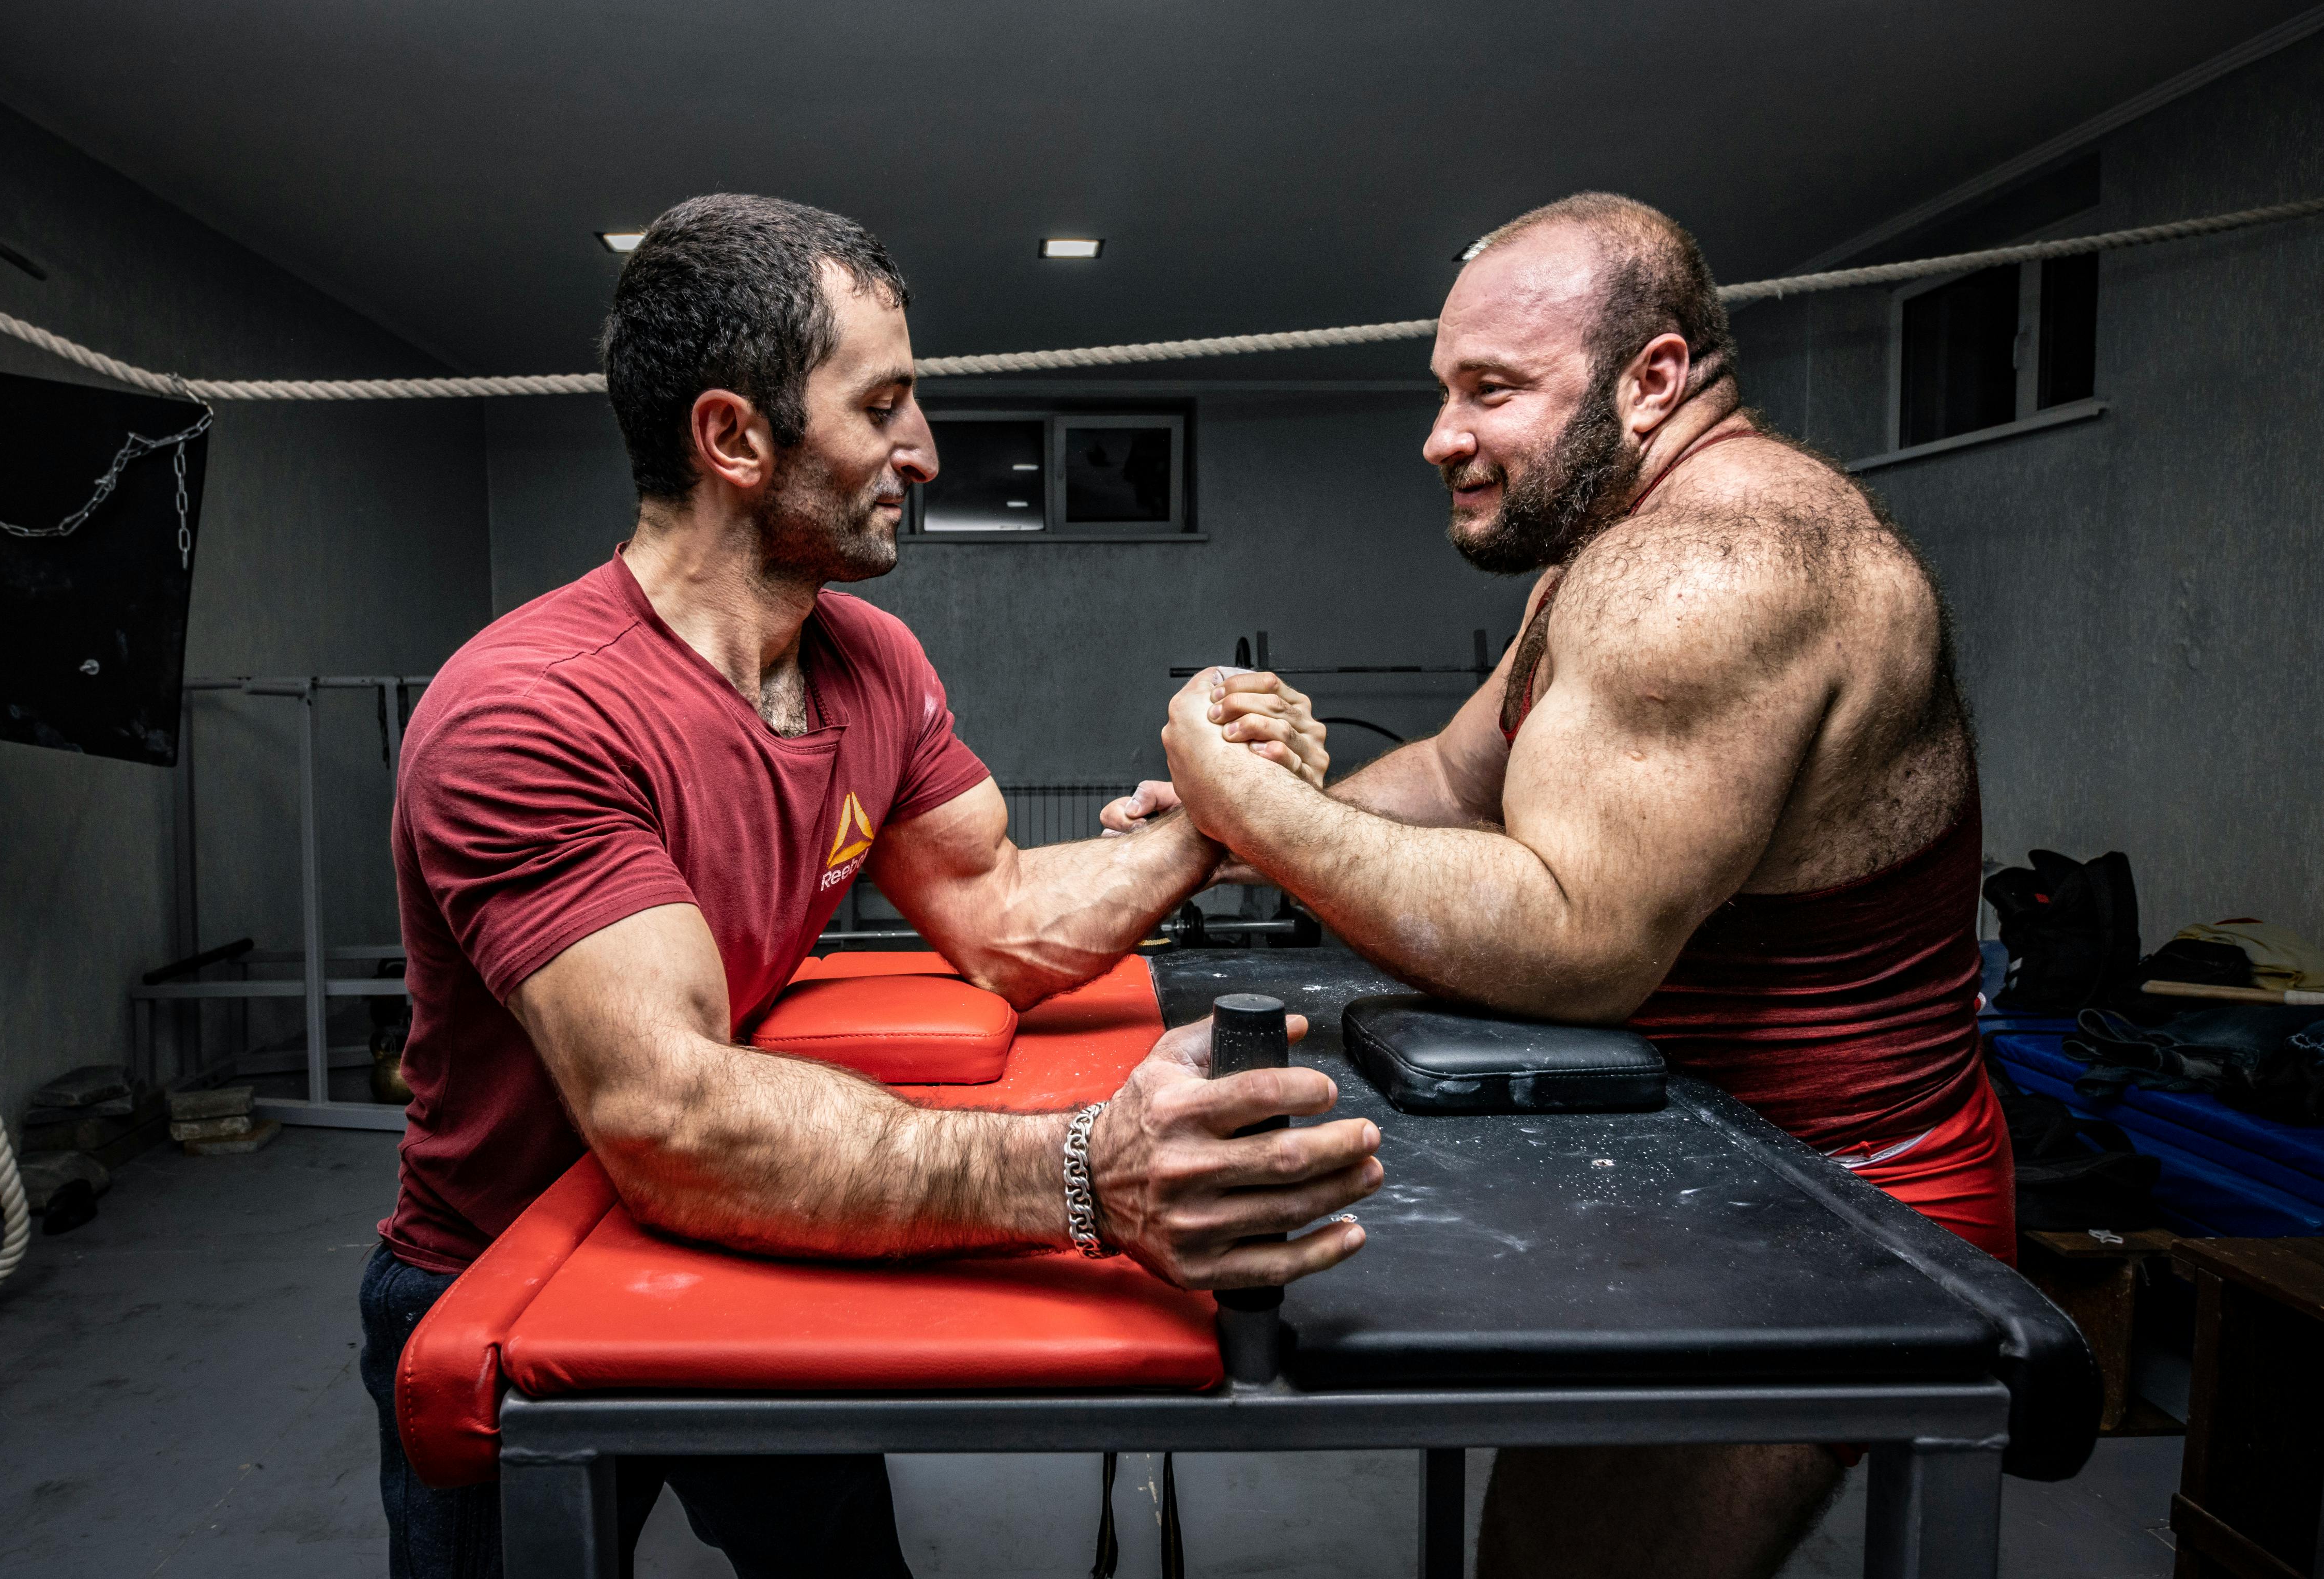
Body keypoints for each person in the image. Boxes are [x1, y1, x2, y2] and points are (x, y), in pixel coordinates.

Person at [359, 194, 1383, 1579]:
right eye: (884, 406)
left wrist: (1224, 817)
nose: (927, 452)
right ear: (732, 438)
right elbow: (669, 1115)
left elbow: (1004, 915)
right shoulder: (532, 716)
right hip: (511, 1256)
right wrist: (1085, 1172)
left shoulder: (871, 664)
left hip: (760, 1229)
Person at [1105, 192, 2005, 1578]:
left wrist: (1262, 818)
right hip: (1671, 1156)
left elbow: (1581, 940)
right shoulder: (1608, 546)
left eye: (1492, 389)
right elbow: (1464, 782)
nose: (1440, 436)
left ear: (1653, 379)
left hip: (1823, 1210)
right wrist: (1247, 822)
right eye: (1443, 388)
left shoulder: (1718, 568)